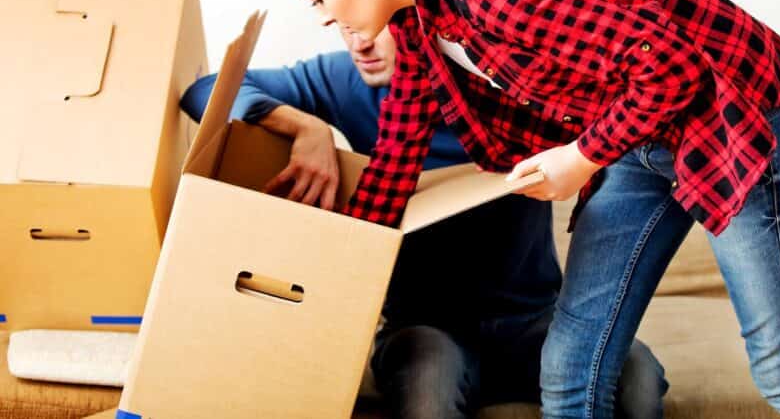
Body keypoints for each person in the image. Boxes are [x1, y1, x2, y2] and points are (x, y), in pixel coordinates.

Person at [264, 0, 780, 419]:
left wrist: (580, 157)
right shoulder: (421, 21)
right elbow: (396, 158)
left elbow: (672, 66)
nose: (319, 18)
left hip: (731, 122)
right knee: (571, 369)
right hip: (639, 139)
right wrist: (324, 280)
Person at [179, 24, 667, 419]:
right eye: (344, 27)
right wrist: (304, 124)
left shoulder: (501, 80)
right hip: (428, 327)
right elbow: (204, 91)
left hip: (533, 322)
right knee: (428, 390)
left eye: (376, 27)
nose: (359, 42)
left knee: (638, 372)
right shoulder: (345, 81)